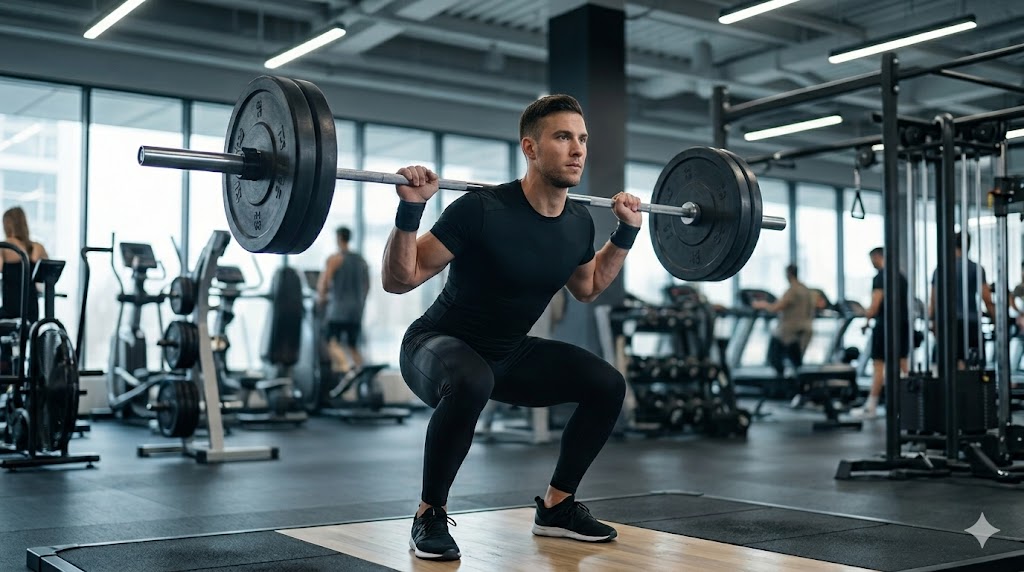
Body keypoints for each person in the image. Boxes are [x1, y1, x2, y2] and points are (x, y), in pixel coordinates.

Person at [381, 94, 641, 561]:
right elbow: (401, 279)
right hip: (436, 346)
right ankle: (428, 514)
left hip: (506, 353)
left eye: (582, 139)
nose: (578, 149)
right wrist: (409, 210)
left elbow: (587, 286)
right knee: (471, 377)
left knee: (606, 384)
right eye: (563, 137)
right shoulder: (481, 209)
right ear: (531, 148)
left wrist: (624, 233)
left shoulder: (578, 222)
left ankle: (558, 508)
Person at [853, 247, 910, 419]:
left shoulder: (880, 277)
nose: (872, 263)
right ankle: (911, 404)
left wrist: (866, 319)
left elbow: (875, 304)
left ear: (878, 257)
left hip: (884, 325)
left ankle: (871, 406)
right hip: (902, 324)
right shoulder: (901, 277)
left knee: (878, 366)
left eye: (872, 259)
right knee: (903, 364)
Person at [928, 232, 995, 369]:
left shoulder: (940, 269)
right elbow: (987, 299)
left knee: (946, 364)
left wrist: (933, 321)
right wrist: (996, 319)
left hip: (946, 323)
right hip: (970, 323)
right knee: (971, 365)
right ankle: (967, 389)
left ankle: (952, 389)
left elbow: (933, 300)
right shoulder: (975, 268)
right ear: (968, 246)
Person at [316, 226, 370, 395]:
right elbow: (367, 286)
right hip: (356, 310)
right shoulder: (362, 261)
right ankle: (363, 380)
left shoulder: (335, 259)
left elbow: (324, 284)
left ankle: (348, 370)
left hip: (338, 310)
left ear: (339, 238)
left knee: (331, 342)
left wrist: (322, 298)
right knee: (353, 346)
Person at [750, 264, 815, 381]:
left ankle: (782, 382)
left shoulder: (792, 290)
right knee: (796, 361)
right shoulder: (806, 289)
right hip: (805, 329)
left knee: (774, 356)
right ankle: (796, 383)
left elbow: (777, 308)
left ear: (789, 274)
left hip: (789, 330)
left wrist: (762, 304)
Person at [0, 206, 48, 323]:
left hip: (9, 310)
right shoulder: (38, 247)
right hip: (31, 312)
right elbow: (46, 277)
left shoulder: (4, 247)